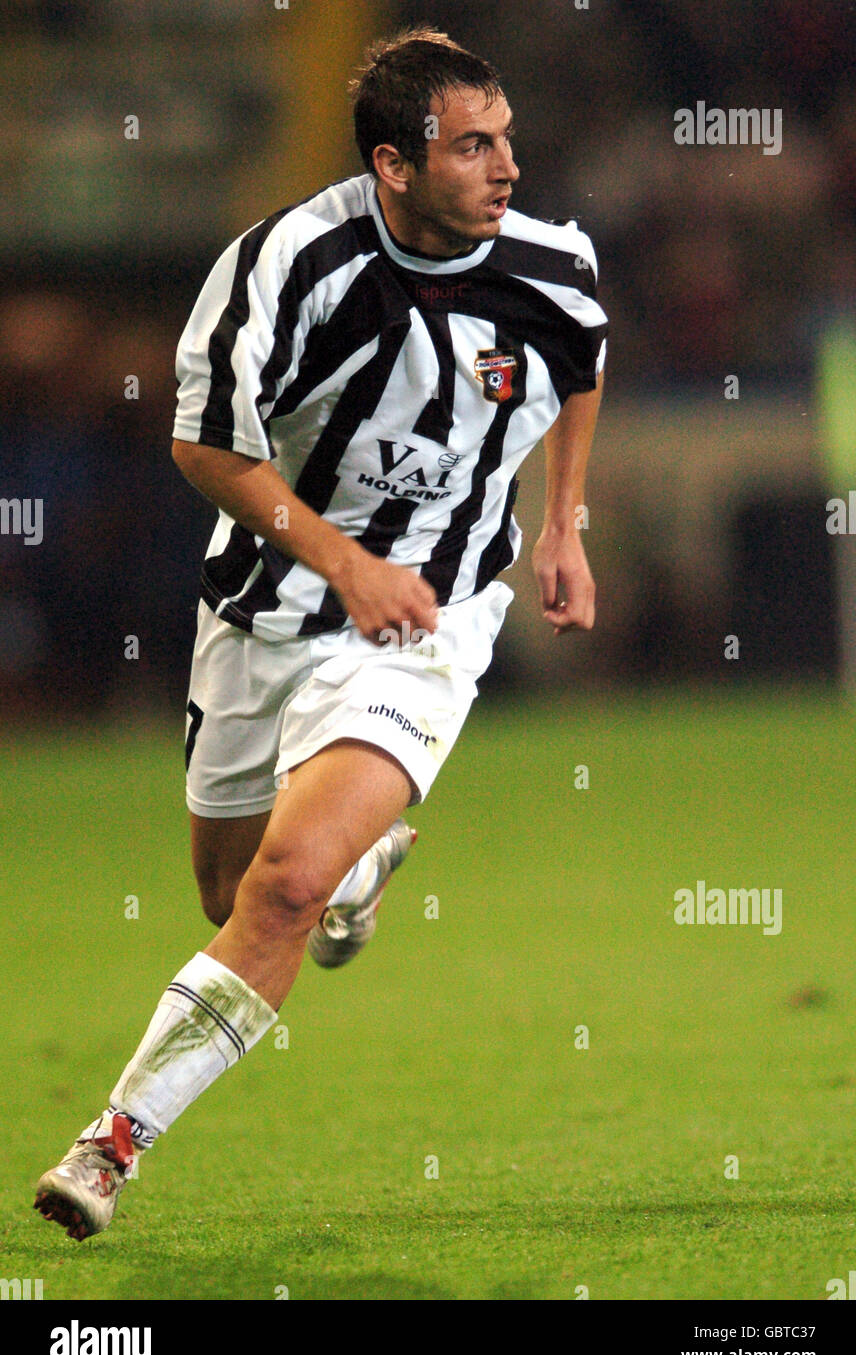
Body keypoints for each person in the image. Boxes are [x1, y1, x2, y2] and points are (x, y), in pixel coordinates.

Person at [34, 25, 606, 1241]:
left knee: (281, 888)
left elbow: (580, 363)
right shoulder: (286, 266)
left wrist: (561, 525)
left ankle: (111, 1143)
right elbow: (203, 443)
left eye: (506, 139)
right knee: (228, 889)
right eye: (473, 147)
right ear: (395, 165)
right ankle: (360, 867)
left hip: (431, 616)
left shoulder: (551, 263)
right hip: (266, 604)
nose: (506, 167)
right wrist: (343, 560)